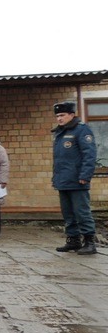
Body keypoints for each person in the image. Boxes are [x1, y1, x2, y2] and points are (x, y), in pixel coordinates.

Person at [52, 101, 98, 255]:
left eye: (62, 115)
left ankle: (90, 242)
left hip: (78, 180)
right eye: (57, 116)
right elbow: (60, 160)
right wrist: (56, 179)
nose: (59, 118)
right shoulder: (59, 133)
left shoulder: (81, 130)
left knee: (82, 212)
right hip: (63, 180)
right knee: (68, 213)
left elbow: (89, 155)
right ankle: (73, 240)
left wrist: (85, 175)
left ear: (71, 115)